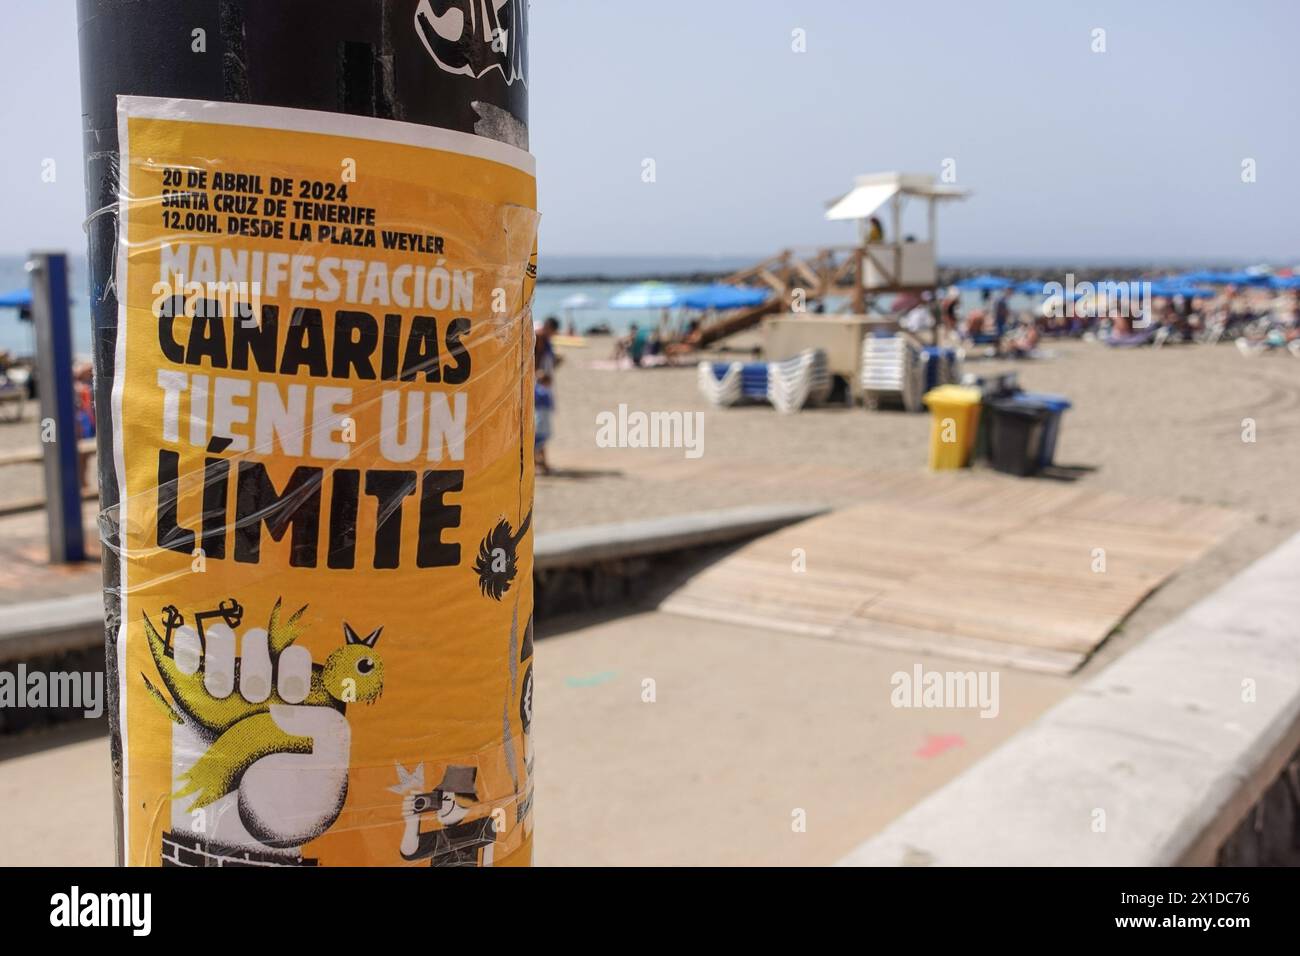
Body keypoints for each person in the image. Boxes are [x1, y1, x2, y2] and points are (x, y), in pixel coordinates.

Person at [533, 316, 561, 474]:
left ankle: (542, 462)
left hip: (542, 388)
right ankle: (539, 462)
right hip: (539, 389)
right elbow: (533, 363)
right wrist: (538, 374)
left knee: (540, 428)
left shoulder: (543, 339)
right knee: (540, 428)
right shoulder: (540, 338)